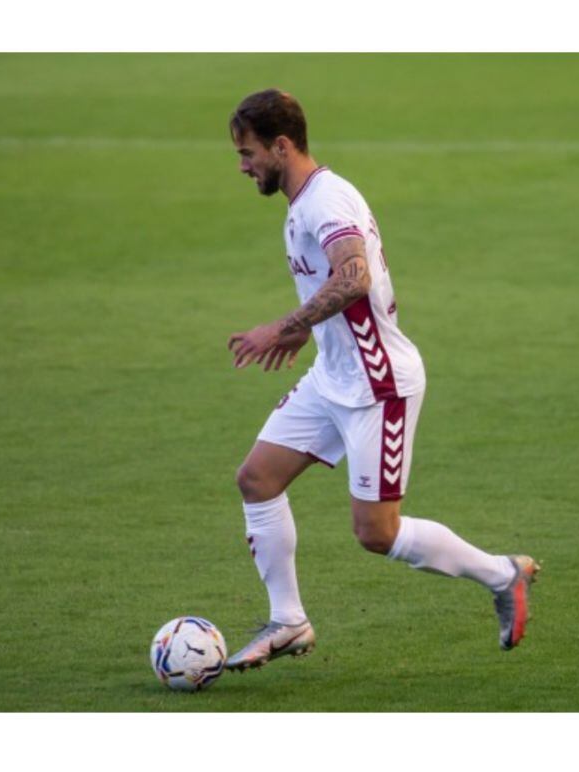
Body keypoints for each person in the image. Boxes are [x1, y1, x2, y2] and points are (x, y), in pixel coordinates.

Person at [224, 89, 539, 671]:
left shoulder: (326, 202)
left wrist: (281, 326)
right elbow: (343, 290)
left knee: (376, 532)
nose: (243, 166)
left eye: (248, 154)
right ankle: (289, 621)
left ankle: (504, 574)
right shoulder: (303, 202)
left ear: (282, 146)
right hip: (333, 376)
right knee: (257, 479)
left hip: (378, 386)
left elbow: (354, 275)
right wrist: (306, 333)